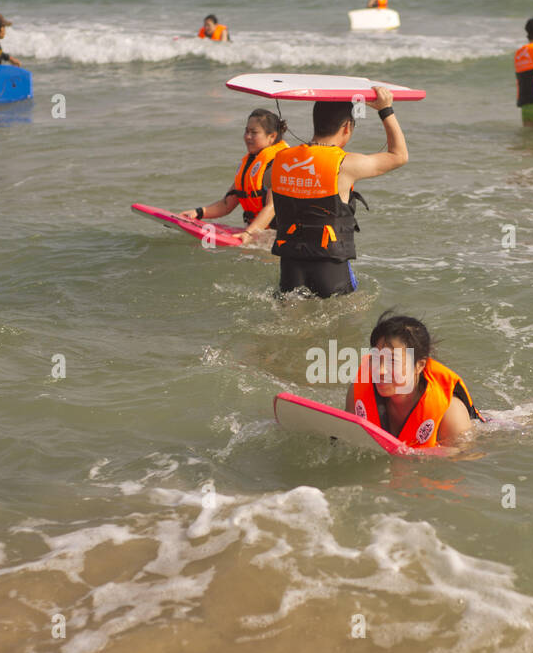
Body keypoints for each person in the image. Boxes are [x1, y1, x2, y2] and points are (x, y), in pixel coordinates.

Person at [250, 86, 408, 298]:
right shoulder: (345, 164)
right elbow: (399, 155)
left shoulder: (280, 161)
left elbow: (267, 179)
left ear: (315, 122)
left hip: (290, 266)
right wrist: (385, 109)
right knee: (344, 323)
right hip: (330, 267)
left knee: (291, 321)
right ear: (347, 127)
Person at [346, 311, 484, 449]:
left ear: (419, 365)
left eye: (392, 361)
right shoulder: (358, 391)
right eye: (376, 358)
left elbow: (466, 461)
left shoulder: (451, 413)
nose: (380, 370)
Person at [177, 110, 288, 234]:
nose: (248, 136)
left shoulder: (278, 164)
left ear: (272, 136)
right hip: (259, 233)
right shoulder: (251, 164)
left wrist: (248, 233)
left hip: (279, 238)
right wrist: (198, 212)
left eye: (254, 132)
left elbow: (272, 207)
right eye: (246, 131)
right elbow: (227, 204)